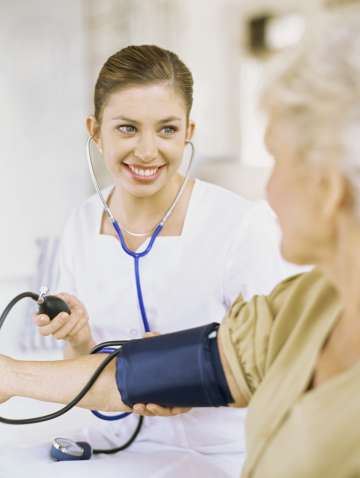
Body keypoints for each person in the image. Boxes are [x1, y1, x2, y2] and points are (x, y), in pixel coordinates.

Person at [7, 8, 360, 474]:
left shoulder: (244, 227)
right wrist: (80, 349)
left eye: (274, 160)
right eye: (127, 127)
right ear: (95, 132)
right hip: (117, 450)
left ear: (329, 189)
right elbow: (164, 372)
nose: (147, 149)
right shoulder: (297, 309)